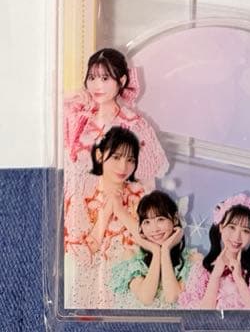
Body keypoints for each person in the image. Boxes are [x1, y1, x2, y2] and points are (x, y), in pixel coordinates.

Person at [63, 47, 168, 192]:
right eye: (92, 78)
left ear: (122, 81)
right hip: (73, 199)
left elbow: (147, 183)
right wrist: (70, 96)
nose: (97, 85)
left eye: (105, 78)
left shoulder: (133, 124)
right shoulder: (79, 116)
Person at [64, 126, 145, 308]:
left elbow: (148, 241)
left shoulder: (138, 193)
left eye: (130, 160)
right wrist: (108, 209)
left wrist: (121, 211)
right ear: (100, 155)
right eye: (116, 157)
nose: (123, 167)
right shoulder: (84, 192)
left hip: (130, 274)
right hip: (93, 272)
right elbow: (83, 251)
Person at [177, 194, 250, 310]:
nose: (237, 237)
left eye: (245, 231)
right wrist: (215, 276)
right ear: (221, 227)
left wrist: (239, 279)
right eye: (232, 227)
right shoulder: (201, 269)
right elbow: (199, 316)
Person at [111, 190, 197, 308]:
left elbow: (172, 297)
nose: (154, 229)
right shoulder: (132, 257)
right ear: (141, 227)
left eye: (160, 219)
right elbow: (146, 298)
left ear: (175, 219)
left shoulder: (192, 260)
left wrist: (165, 250)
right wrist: (156, 251)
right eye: (147, 222)